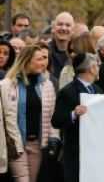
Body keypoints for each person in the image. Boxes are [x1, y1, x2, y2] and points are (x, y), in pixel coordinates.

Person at [1, 44, 61, 182]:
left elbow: (52, 115)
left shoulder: (47, 85)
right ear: (27, 60)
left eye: (43, 59)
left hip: (38, 144)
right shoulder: (6, 85)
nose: (42, 63)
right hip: (16, 144)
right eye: (38, 59)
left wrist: (54, 138)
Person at [51, 53, 104, 182]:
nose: (98, 69)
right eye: (97, 66)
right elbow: (56, 120)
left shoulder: (97, 89)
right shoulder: (68, 91)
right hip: (76, 151)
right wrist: (73, 114)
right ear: (91, 69)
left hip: (96, 148)